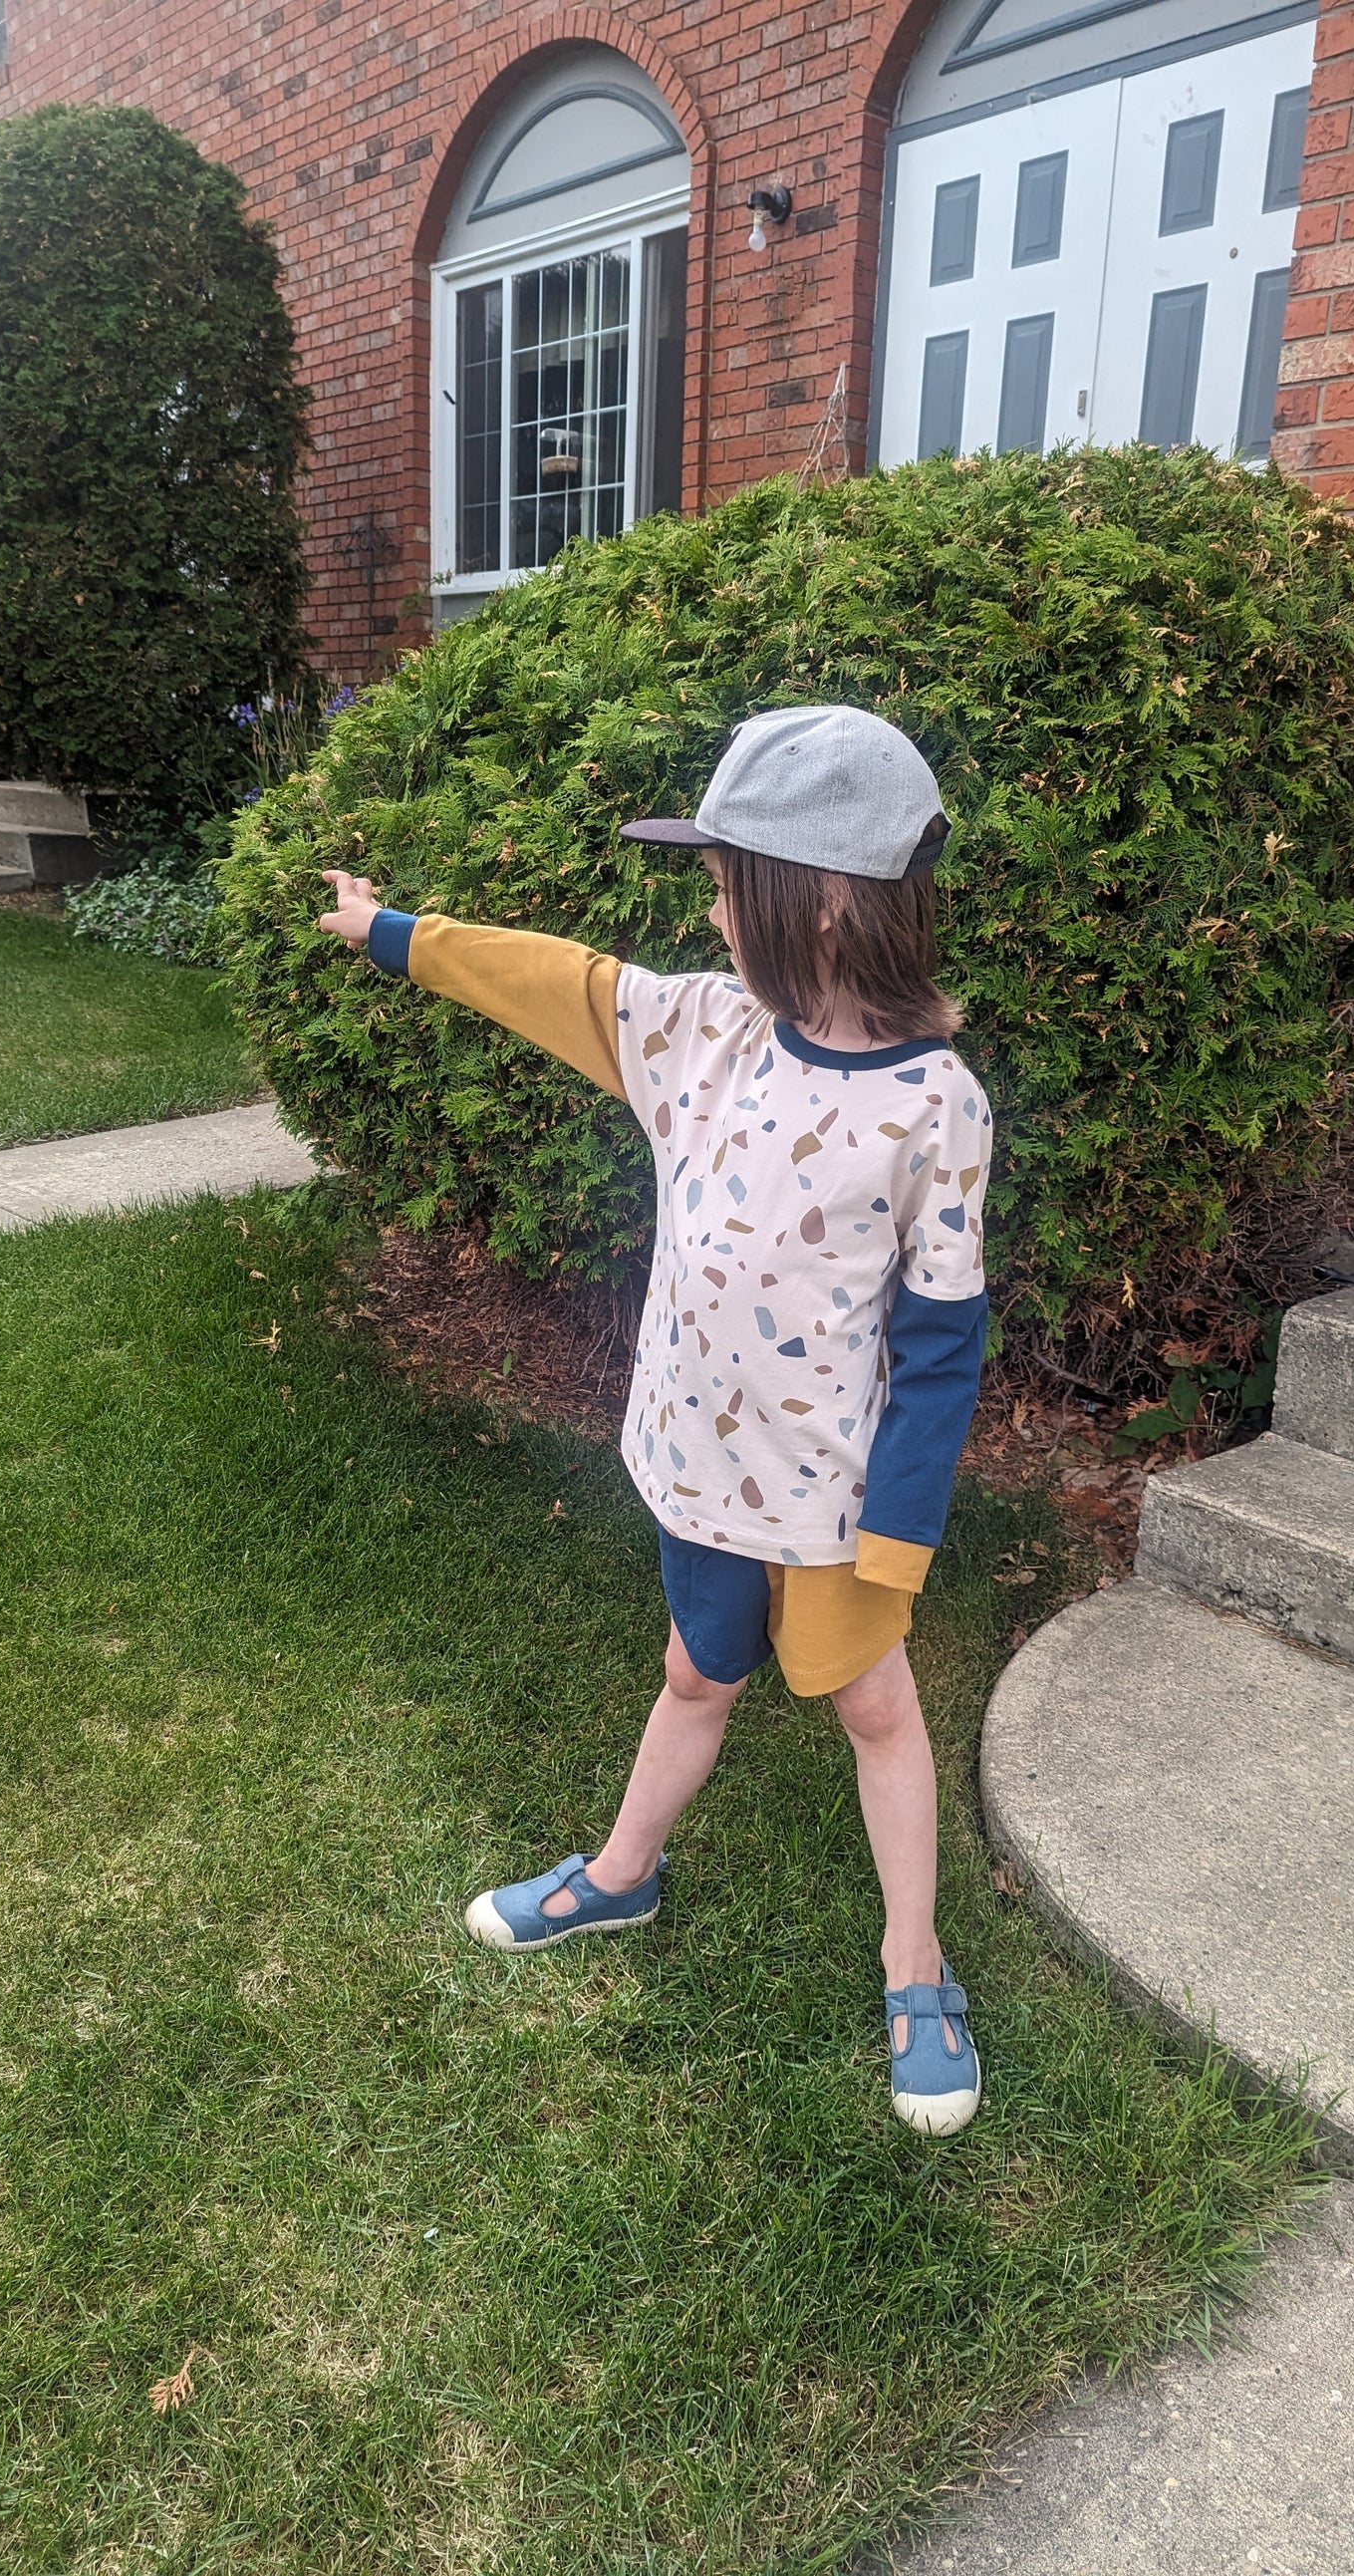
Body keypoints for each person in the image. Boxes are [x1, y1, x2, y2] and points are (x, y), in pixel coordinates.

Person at [318, 705, 992, 2136]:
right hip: (696, 1470)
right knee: (696, 1671)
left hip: (832, 1504)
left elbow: (941, 1344)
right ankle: (621, 1875)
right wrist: (394, 934)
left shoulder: (938, 1106)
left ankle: (914, 1965)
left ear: (819, 901)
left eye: (726, 880)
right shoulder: (698, 1031)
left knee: (876, 1709)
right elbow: (553, 978)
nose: (708, 909)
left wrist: (900, 1532)